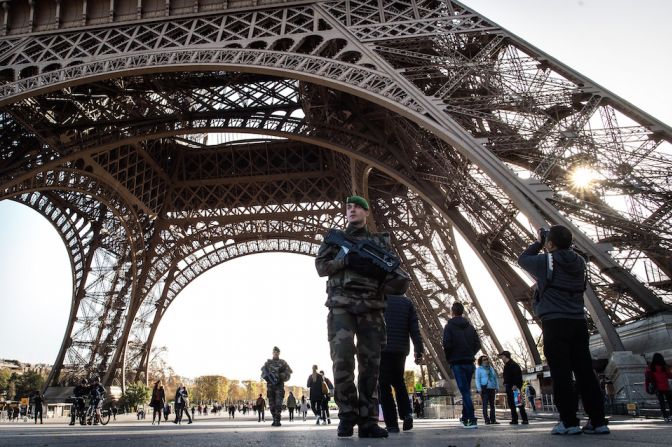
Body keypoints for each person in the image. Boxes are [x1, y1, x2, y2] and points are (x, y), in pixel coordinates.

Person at [315, 195, 408, 438]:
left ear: (367, 212)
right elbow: (321, 268)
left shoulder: (379, 243)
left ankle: (367, 420)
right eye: (348, 207)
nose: (351, 209)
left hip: (371, 308)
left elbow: (398, 281)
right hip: (341, 307)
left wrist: (376, 274)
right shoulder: (336, 240)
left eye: (357, 206)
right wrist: (345, 260)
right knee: (342, 362)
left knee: (371, 367)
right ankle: (347, 416)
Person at [518, 225, 609, 435]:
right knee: (586, 373)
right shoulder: (580, 262)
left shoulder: (547, 260)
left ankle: (568, 422)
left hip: (555, 323)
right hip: (578, 322)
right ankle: (598, 421)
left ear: (550, 244)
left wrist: (538, 243)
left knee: (561, 374)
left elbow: (522, 259)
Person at [379, 294, 423, 433]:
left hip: (382, 347)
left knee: (384, 385)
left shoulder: (379, 298)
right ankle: (407, 414)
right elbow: (414, 329)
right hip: (401, 349)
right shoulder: (407, 302)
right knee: (399, 381)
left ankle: (391, 424)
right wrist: (418, 349)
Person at [443, 301, 481, 429]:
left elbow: (447, 345)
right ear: (462, 312)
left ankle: (471, 419)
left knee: (465, 391)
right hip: (469, 362)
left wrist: (450, 358)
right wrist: (470, 353)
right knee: (466, 390)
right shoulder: (470, 327)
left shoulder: (448, 327)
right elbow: (478, 344)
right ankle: (465, 417)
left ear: (452, 312)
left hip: (457, 363)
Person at [261, 346, 293, 427]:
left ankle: (277, 420)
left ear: (279, 353)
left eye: (277, 352)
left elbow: (289, 372)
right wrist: (267, 377)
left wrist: (282, 375)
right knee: (272, 405)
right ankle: (274, 418)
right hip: (270, 387)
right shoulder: (268, 363)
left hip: (279, 386)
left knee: (278, 404)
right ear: (273, 353)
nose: (276, 353)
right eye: (274, 352)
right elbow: (263, 374)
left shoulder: (283, 362)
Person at [498, 351, 528, 426]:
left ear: (505, 356)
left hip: (514, 387)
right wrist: (505, 383)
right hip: (509, 386)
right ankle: (514, 419)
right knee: (511, 404)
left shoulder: (513, 365)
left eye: (502, 356)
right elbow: (507, 376)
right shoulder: (506, 365)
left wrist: (516, 385)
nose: (501, 358)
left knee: (519, 404)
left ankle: (524, 419)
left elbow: (518, 376)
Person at [645, 353, 672, 422]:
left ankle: (665, 416)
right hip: (666, 387)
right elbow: (670, 376)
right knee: (670, 402)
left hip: (657, 388)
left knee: (662, 403)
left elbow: (647, 379)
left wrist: (647, 388)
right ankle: (671, 415)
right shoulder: (665, 367)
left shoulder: (650, 368)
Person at [475, 355, 499, 424]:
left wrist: (497, 387)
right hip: (484, 388)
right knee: (485, 404)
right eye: (484, 360)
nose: (486, 361)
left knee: (492, 405)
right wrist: (479, 388)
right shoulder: (479, 369)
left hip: (492, 387)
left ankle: (493, 420)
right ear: (481, 361)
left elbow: (495, 378)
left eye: (487, 359)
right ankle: (486, 420)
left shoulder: (491, 368)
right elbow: (477, 379)